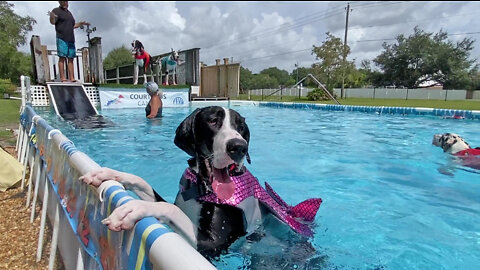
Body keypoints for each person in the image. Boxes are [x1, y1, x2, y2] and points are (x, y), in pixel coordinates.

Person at [49, 1, 89, 82]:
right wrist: (52, 17)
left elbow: (73, 25)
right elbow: (52, 22)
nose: (65, 3)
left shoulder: (69, 14)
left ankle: (72, 78)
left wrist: (81, 23)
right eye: (63, 2)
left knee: (71, 58)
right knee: (62, 57)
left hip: (71, 39)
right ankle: (63, 78)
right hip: (61, 38)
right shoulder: (56, 11)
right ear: (60, 2)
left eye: (66, 1)